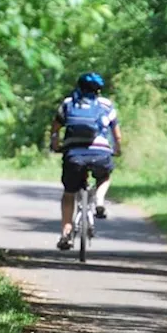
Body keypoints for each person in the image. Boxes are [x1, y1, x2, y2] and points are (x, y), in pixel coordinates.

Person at [49, 72, 122, 250]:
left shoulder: (68, 103)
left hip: (74, 155)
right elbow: (116, 134)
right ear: (98, 89)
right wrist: (117, 149)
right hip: (101, 153)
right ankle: (99, 200)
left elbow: (56, 129)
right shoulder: (106, 105)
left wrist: (55, 144)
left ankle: (66, 232)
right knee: (104, 176)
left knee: (68, 194)